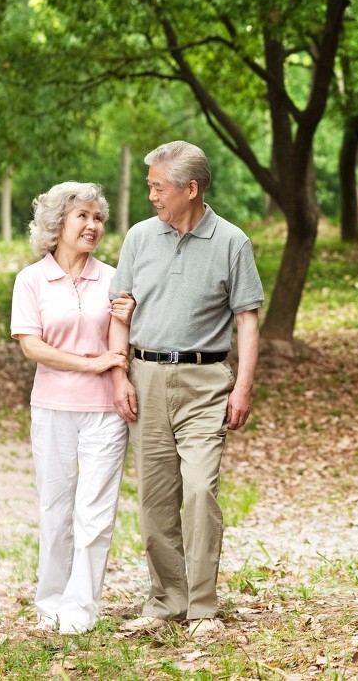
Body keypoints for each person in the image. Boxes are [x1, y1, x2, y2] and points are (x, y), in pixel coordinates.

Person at [108, 141, 263, 637]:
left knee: (199, 490)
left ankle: (202, 607)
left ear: (189, 189)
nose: (151, 194)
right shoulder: (138, 238)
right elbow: (120, 310)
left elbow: (247, 320)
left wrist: (243, 386)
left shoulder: (232, 242)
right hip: (146, 377)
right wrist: (118, 373)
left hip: (205, 382)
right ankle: (165, 600)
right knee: (155, 497)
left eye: (158, 186)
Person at [10, 182, 136, 634]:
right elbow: (32, 347)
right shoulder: (31, 280)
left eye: (98, 218)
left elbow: (120, 337)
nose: (92, 225)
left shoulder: (114, 277)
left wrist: (114, 367)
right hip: (52, 408)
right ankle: (50, 603)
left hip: (105, 411)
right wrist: (93, 362)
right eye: (82, 216)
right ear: (57, 223)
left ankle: (81, 607)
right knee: (55, 509)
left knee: (96, 513)